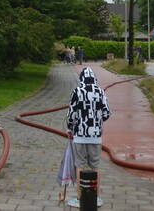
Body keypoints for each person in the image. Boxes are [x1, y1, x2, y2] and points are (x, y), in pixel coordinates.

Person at [66, 67, 111, 208]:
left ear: (81, 78)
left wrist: (70, 128)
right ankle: (95, 197)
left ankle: (80, 198)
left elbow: (71, 114)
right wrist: (97, 122)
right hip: (95, 136)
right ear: (94, 78)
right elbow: (107, 113)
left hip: (80, 135)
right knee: (95, 166)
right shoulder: (100, 92)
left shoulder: (77, 92)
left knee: (79, 165)